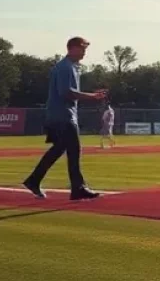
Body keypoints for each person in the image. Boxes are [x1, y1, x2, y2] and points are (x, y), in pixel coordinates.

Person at [23, 36, 107, 200]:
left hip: (61, 114)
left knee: (58, 149)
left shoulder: (71, 67)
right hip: (63, 115)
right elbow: (66, 92)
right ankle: (77, 188)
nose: (84, 52)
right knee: (74, 150)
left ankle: (34, 180)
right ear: (73, 48)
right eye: (82, 48)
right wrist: (92, 96)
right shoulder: (65, 67)